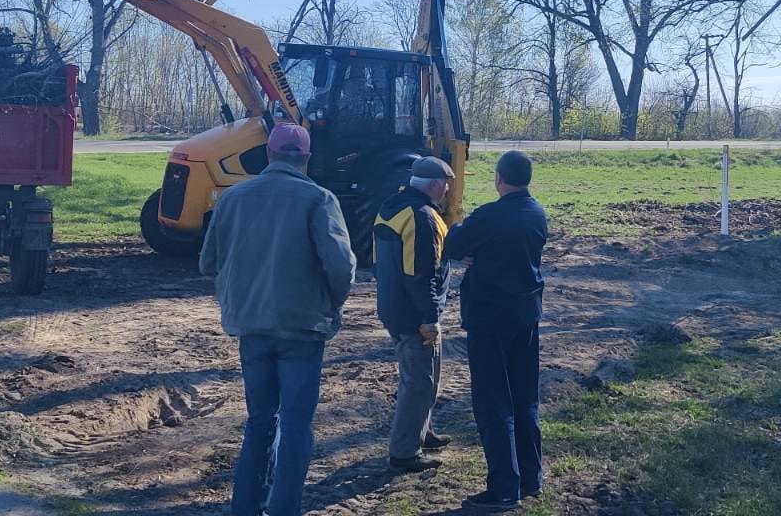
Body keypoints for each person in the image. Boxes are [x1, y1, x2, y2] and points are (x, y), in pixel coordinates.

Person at [199, 122, 356, 516]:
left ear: (268, 154)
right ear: (305, 158)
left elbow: (207, 263)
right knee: (296, 424)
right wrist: (332, 304)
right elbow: (340, 268)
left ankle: (245, 507)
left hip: (251, 327)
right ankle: (284, 508)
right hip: (302, 329)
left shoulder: (233, 198)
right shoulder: (318, 199)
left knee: (259, 421)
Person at [444, 150, 549, 513]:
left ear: (499, 179)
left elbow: (454, 245)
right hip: (526, 316)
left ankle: (505, 486)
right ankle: (531, 475)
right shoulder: (537, 213)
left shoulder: (489, 215)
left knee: (493, 402)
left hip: (489, 319)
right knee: (525, 396)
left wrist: (466, 245)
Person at [373, 156, 457, 472]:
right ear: (435, 185)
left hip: (393, 307)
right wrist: (429, 317)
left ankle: (422, 431)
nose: (448, 189)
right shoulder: (422, 217)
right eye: (446, 184)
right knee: (419, 382)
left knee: (426, 376)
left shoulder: (391, 206)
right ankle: (405, 453)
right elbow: (421, 274)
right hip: (414, 315)